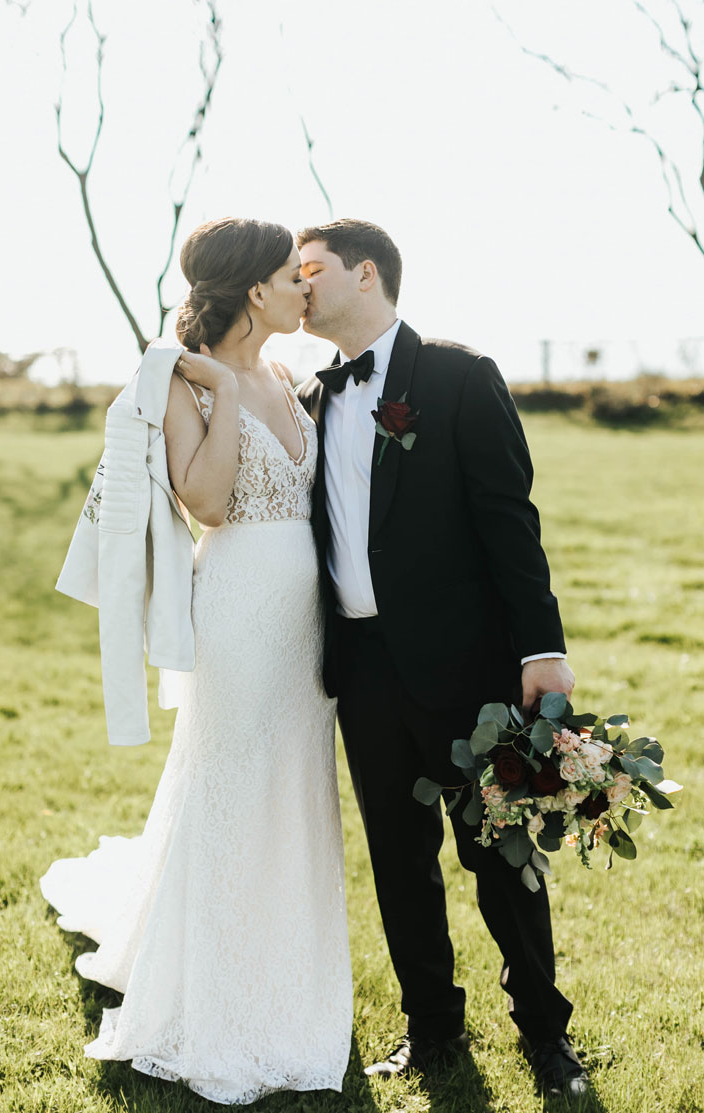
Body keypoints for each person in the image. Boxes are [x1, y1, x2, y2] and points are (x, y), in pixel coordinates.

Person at [40, 217, 352, 1105]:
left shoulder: (289, 375)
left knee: (294, 785)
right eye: (292, 278)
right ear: (255, 291)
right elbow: (209, 501)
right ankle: (217, 989)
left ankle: (290, 968)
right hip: (238, 613)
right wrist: (216, 383)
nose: (305, 289)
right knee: (232, 784)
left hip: (306, 621)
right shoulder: (181, 382)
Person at [294, 218, 590, 1101]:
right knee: (397, 858)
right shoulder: (310, 397)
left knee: (499, 854)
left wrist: (541, 648)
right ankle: (430, 1030)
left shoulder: (460, 376)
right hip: (361, 670)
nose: (298, 286)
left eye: (310, 271)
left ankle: (545, 1032)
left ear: (366, 272)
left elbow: (509, 520)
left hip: (467, 668)